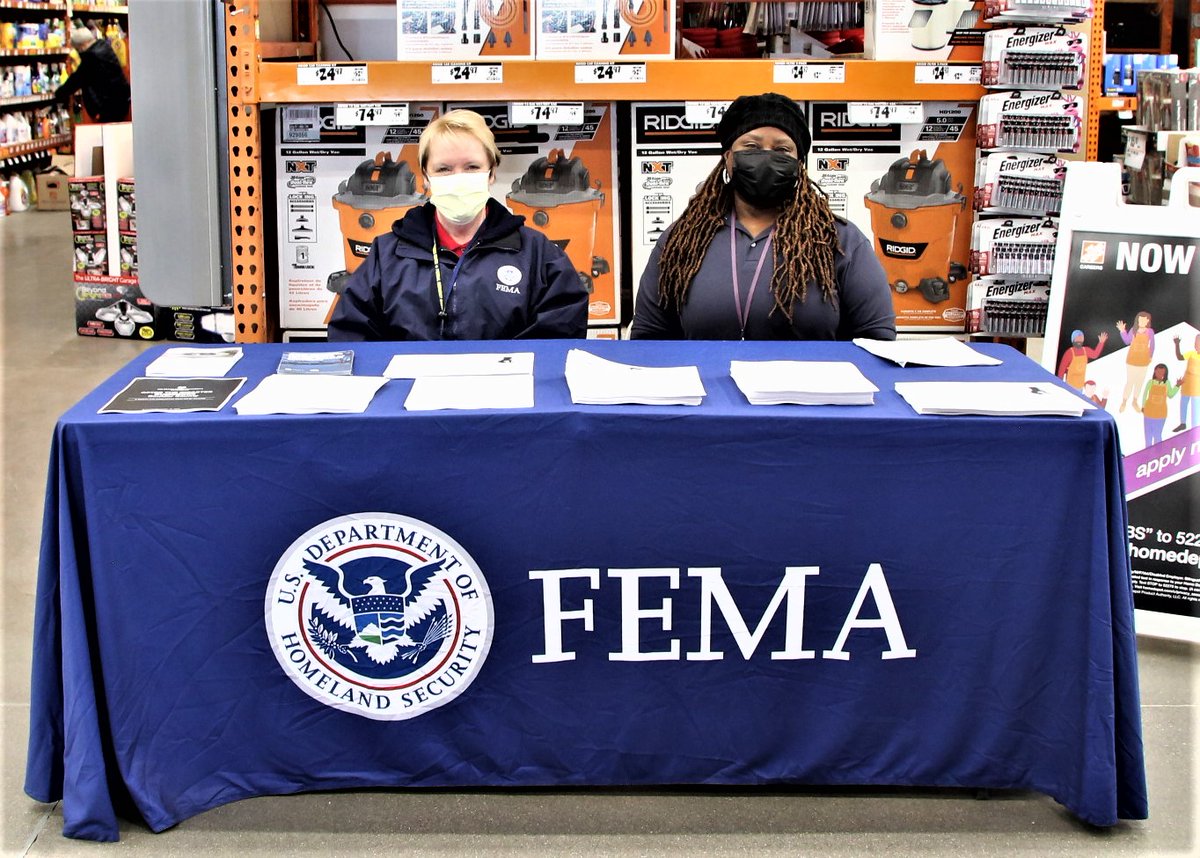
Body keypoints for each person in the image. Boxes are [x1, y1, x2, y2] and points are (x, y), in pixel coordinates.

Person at [631, 92, 895, 341]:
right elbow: (649, 336)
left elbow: (877, 338)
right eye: (751, 146)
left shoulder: (841, 241)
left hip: (807, 389)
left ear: (799, 165)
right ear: (728, 158)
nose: (766, 157)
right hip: (707, 388)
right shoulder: (683, 239)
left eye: (782, 150)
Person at [328, 109, 588, 341]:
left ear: (492, 173)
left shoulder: (537, 253)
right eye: (443, 169)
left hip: (505, 391)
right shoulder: (387, 256)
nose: (458, 178)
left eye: (472, 167)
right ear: (426, 178)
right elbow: (352, 335)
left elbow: (561, 333)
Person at [54, 26, 130, 124]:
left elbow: (76, 80)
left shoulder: (91, 57)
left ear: (82, 46)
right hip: (122, 102)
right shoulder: (104, 47)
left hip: (108, 109)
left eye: (77, 49)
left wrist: (58, 94)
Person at [1116, 311, 1154, 413]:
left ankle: (1135, 401)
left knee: (1139, 382)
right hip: (1132, 361)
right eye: (1140, 319)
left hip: (1144, 362)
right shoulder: (1133, 330)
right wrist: (1122, 331)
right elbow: (1127, 341)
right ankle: (1124, 401)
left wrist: (1150, 356)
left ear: (1148, 321)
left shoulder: (1150, 332)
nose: (1142, 321)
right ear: (1137, 320)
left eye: (1144, 319)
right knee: (1130, 382)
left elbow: (1152, 345)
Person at [1133, 363, 1179, 447]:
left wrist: (1177, 386)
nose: (1160, 375)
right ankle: (1148, 455)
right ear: (1155, 372)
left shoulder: (1167, 383)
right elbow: (1145, 394)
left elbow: (1171, 395)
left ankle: (1158, 454)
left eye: (1163, 373)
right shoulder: (1150, 382)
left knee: (1157, 435)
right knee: (1148, 435)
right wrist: (1143, 406)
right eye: (1158, 373)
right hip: (1149, 412)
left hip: (1161, 413)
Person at [1172, 332, 1200, 432]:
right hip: (1186, 383)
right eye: (1196, 343)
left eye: (1198, 343)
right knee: (1183, 403)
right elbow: (1180, 357)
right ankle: (1183, 423)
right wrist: (1177, 344)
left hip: (1197, 387)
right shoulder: (1192, 354)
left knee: (1195, 407)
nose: (1197, 345)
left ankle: (1195, 427)